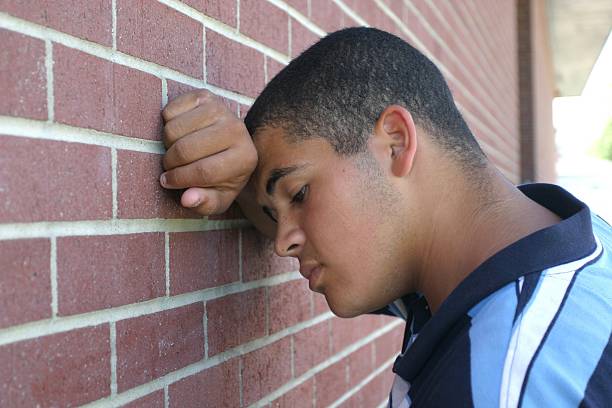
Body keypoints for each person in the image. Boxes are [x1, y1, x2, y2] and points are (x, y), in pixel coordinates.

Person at [159, 28, 611, 407]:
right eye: (275, 215)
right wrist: (238, 178)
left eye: (298, 194)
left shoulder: (502, 382)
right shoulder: (548, 249)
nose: (281, 242)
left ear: (395, 142)